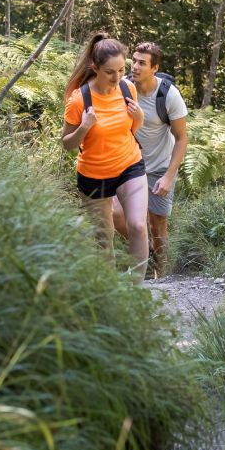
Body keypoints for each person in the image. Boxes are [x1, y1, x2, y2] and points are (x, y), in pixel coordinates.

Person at [61, 33, 148, 273]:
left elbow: (129, 130)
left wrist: (139, 118)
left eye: (121, 70)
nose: (117, 77)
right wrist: (84, 127)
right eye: (110, 72)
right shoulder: (79, 100)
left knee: (138, 226)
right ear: (95, 68)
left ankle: (137, 294)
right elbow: (67, 144)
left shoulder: (128, 88)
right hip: (93, 175)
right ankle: (111, 298)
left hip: (129, 164)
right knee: (104, 239)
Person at [112, 41, 188, 277]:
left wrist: (168, 176)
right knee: (117, 215)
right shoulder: (122, 88)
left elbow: (182, 138)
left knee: (158, 228)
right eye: (133, 61)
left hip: (159, 168)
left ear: (154, 68)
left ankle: (162, 279)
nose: (135, 66)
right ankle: (142, 257)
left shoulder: (168, 95)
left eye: (142, 63)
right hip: (129, 166)